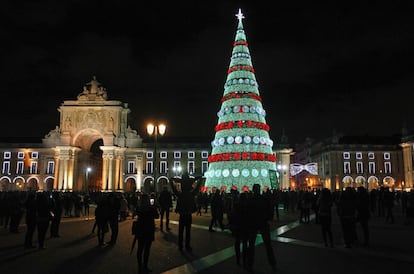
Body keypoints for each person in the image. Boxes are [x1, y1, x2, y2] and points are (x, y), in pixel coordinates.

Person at [246, 184, 276, 271]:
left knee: (251, 245)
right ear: (259, 190)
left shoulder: (250, 200)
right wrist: (267, 218)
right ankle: (273, 263)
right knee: (268, 245)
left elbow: (247, 212)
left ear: (253, 190)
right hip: (263, 223)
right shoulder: (264, 199)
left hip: (253, 224)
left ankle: (250, 264)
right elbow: (270, 210)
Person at [169, 172, 202, 251]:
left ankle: (180, 246)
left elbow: (174, 190)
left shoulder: (180, 194)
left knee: (181, 231)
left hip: (182, 214)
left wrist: (171, 182)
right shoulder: (191, 194)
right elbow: (197, 189)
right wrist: (199, 181)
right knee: (188, 231)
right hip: (188, 214)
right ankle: (187, 245)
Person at [134, 194, 159, 274]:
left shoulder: (139, 208)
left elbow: (135, 214)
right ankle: (145, 266)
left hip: (140, 230)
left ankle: (139, 266)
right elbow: (157, 216)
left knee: (140, 249)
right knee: (147, 249)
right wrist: (154, 207)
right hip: (149, 230)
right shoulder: (151, 208)